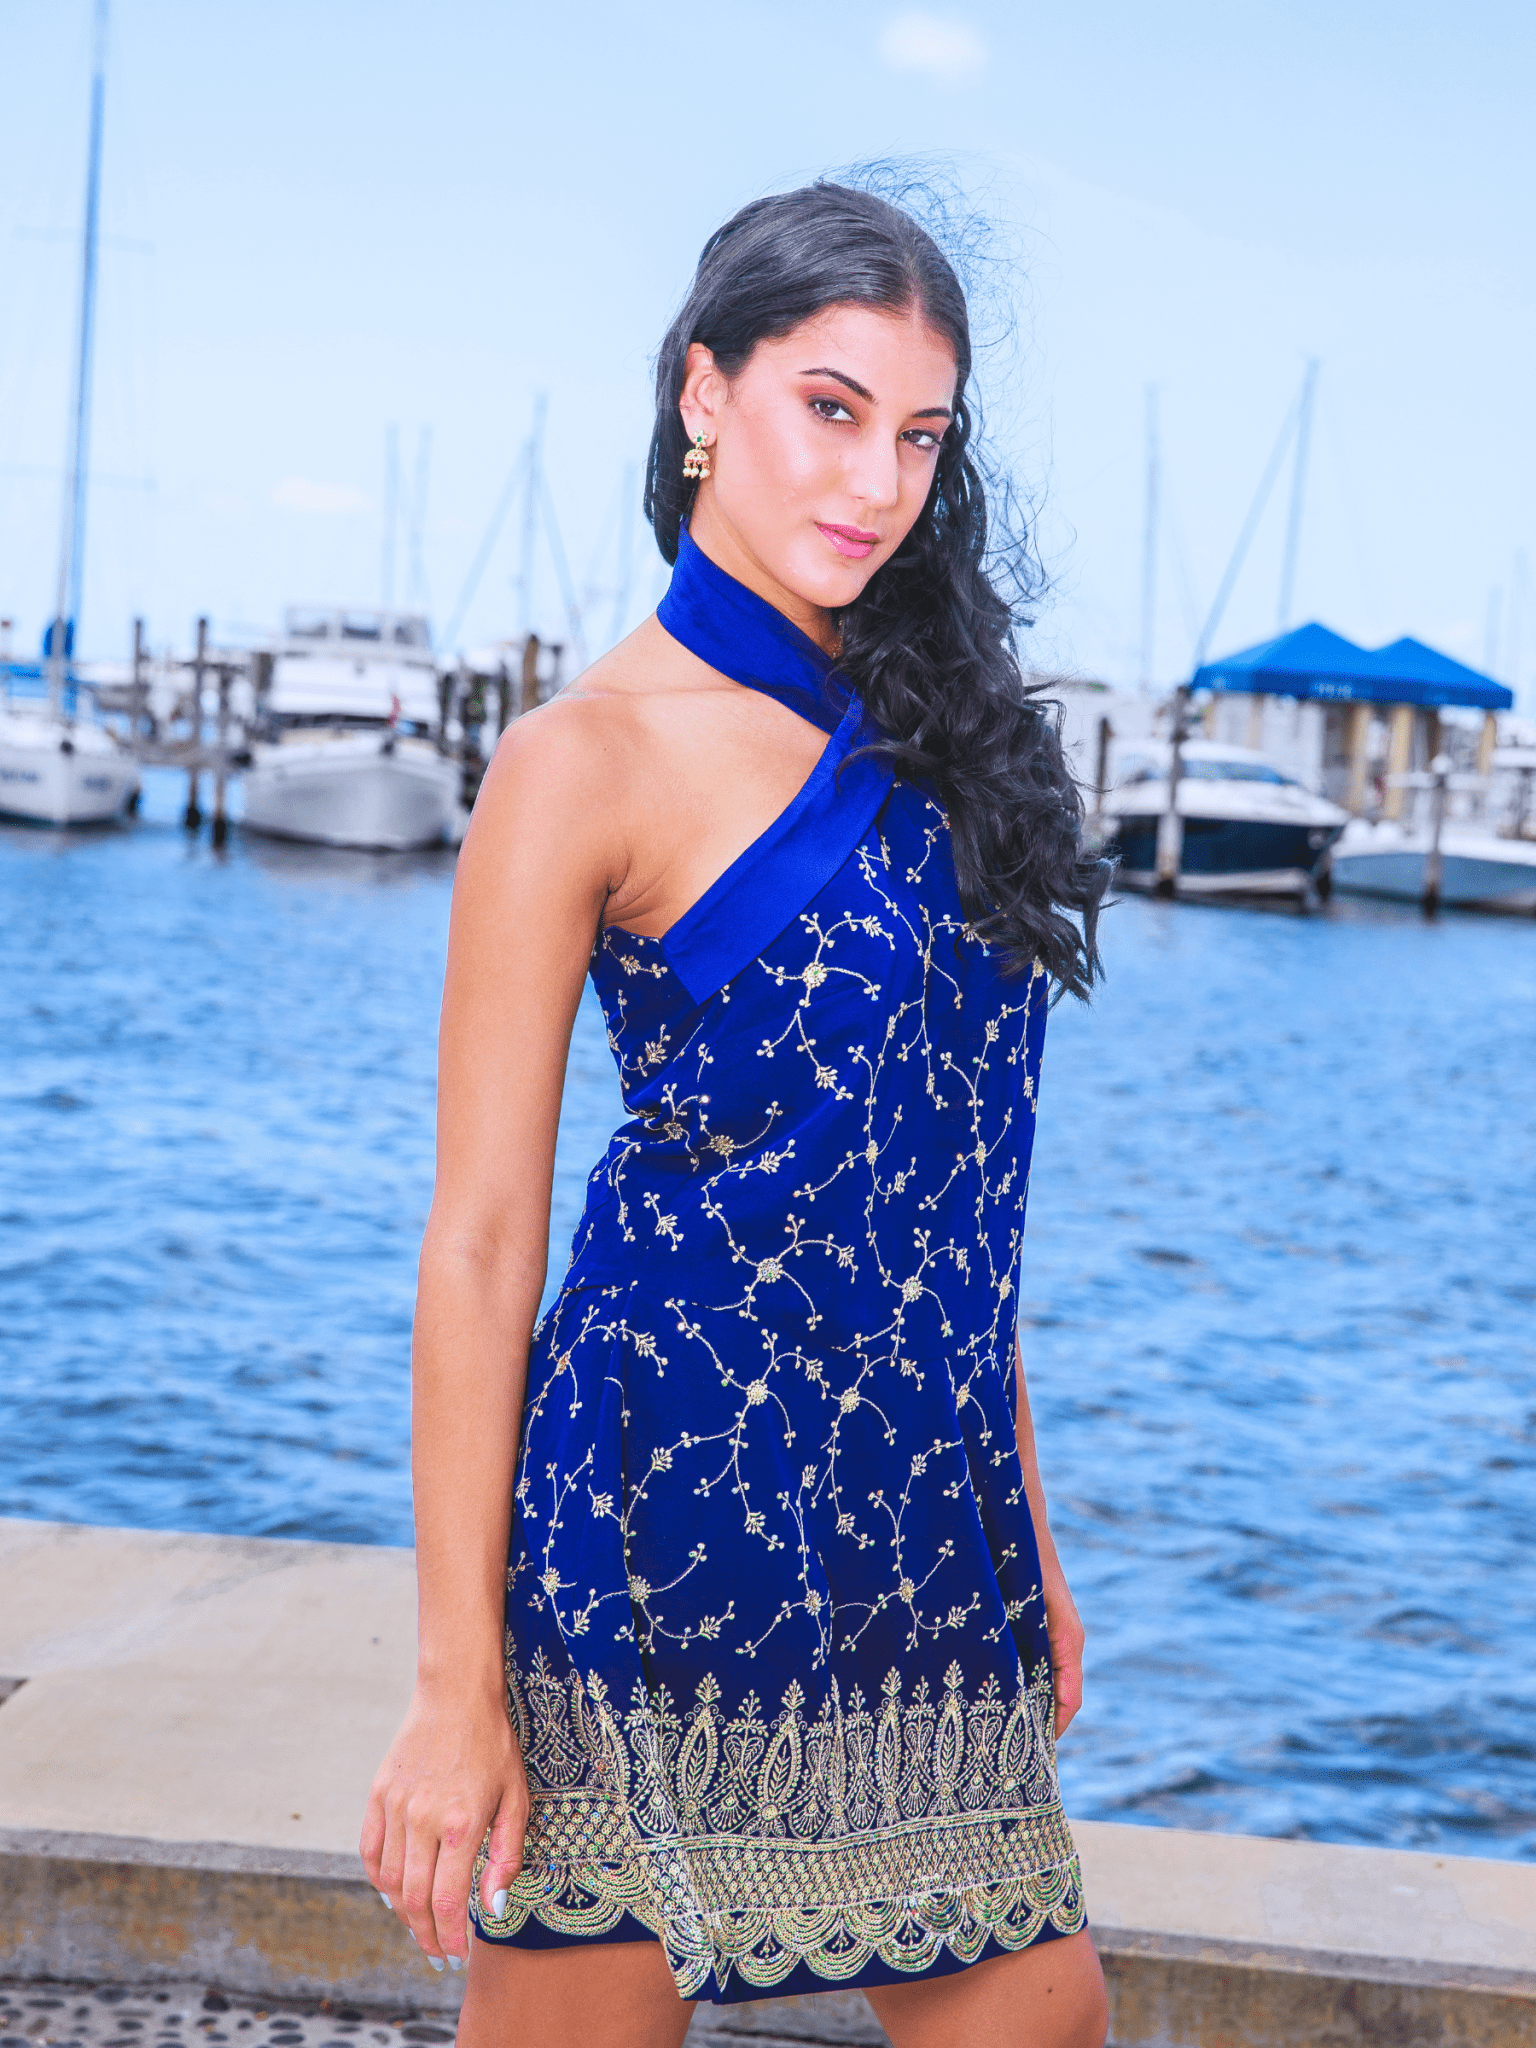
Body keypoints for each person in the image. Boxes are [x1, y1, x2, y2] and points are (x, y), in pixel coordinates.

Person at [362, 179, 1111, 2048]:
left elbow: (953, 1195)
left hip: (923, 1517)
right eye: (830, 406)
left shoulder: (939, 738)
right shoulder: (579, 761)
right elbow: (480, 1239)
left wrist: (1021, 1521)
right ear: (705, 394)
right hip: (659, 1510)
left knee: (1043, 2024)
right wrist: (457, 1684)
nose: (877, 479)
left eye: (919, 434)